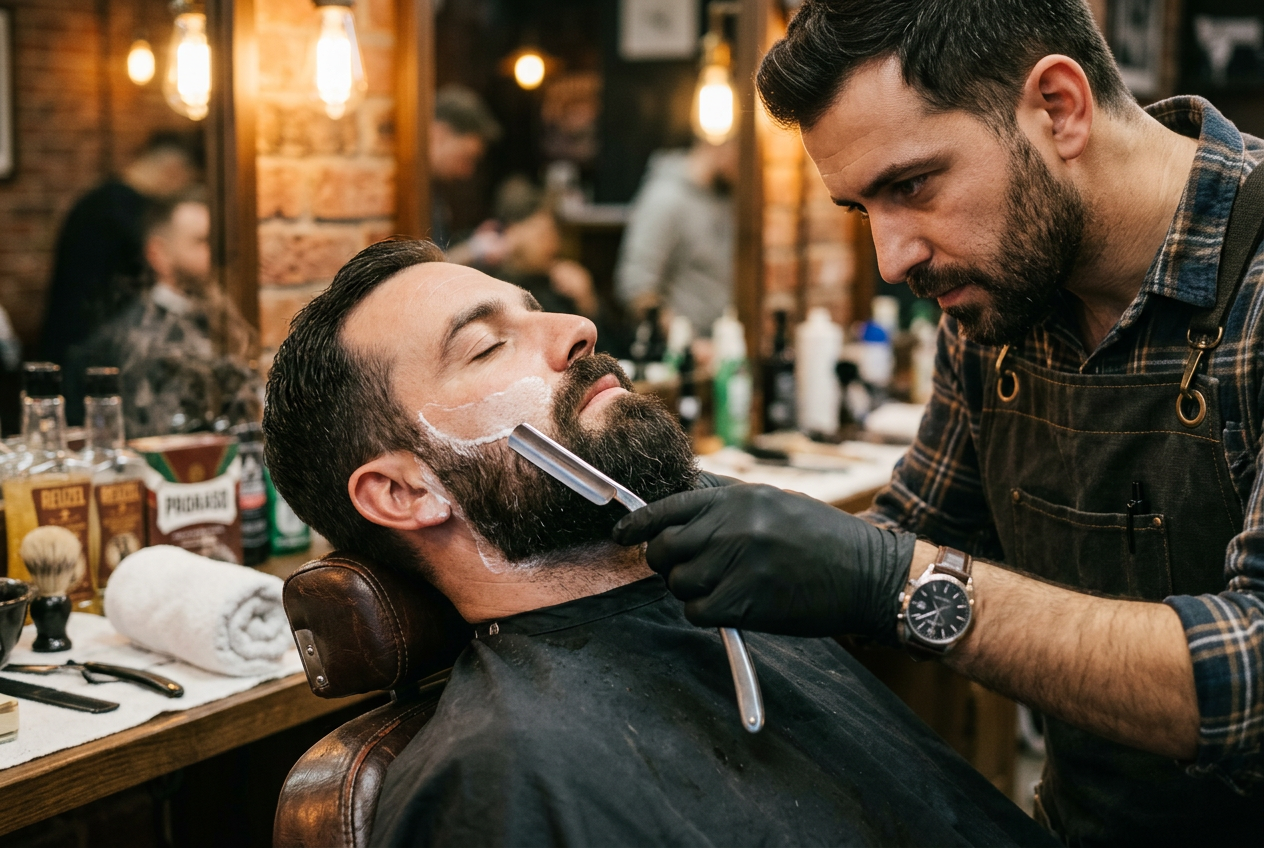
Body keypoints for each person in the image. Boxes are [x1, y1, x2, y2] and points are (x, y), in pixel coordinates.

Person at [611, 1, 1264, 845]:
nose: (893, 259)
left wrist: (899, 581)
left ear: (1059, 108)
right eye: (861, 210)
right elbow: (918, 530)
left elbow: (1250, 674)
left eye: (912, 185)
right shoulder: (1001, 298)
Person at [261, 239, 1053, 847]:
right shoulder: (501, 781)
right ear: (404, 491)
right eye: (486, 346)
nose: (578, 328)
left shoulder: (749, 594)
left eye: (538, 309)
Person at [75, 189, 261, 437]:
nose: (214, 255)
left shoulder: (222, 319)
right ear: (158, 255)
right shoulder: (136, 339)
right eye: (200, 242)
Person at [40, 131, 202, 368]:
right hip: (93, 349)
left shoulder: (96, 202)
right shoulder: (125, 214)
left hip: (77, 338)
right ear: (173, 171)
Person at [614, 139, 737, 334]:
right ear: (722, 145)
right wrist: (686, 344)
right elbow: (637, 287)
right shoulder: (666, 198)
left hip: (720, 346)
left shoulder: (726, 198)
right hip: (681, 354)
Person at [429, 86, 502, 250]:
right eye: (467, 157)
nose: (467, 172)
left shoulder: (432, 192)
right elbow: (426, 269)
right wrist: (475, 250)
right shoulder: (413, 194)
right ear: (439, 134)